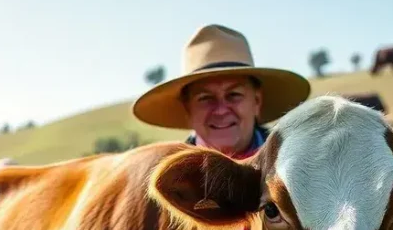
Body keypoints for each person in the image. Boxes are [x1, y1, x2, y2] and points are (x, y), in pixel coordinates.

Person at [132, 24, 311, 159]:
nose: (220, 110)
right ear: (187, 109)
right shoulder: (167, 184)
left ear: (256, 102)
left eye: (234, 95)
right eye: (205, 98)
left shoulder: (297, 168)